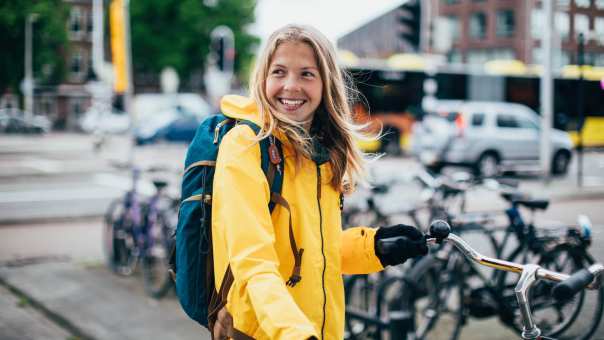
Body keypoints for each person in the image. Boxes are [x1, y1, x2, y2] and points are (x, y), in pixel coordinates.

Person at [210, 24, 428, 340]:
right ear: (263, 78)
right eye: (279, 72)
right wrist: (295, 333)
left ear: (326, 83)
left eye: (307, 74)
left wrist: (373, 247)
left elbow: (314, 252)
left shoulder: (319, 152)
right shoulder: (246, 145)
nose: (290, 86)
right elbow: (253, 264)